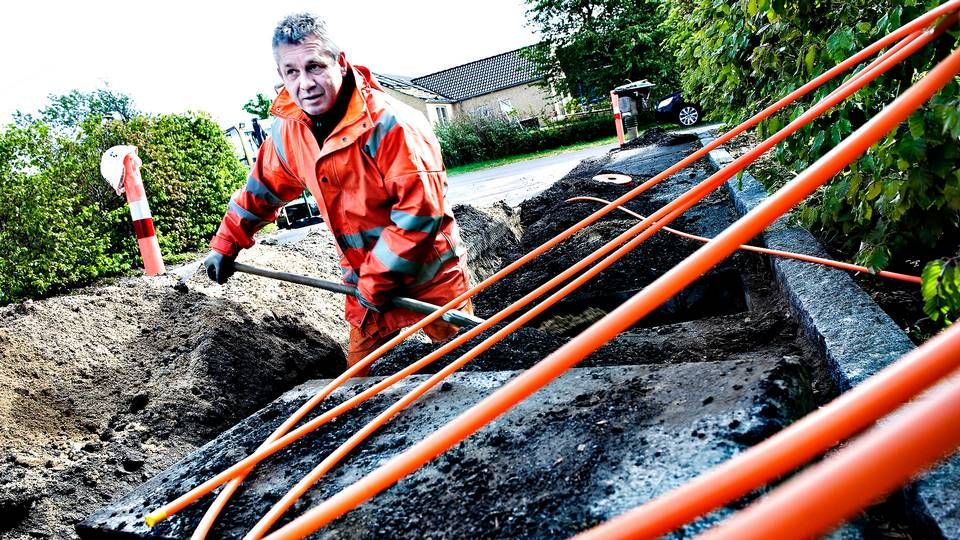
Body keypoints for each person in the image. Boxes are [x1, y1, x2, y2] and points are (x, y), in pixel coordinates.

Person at [204, 13, 472, 375]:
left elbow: (419, 215)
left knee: (471, 370)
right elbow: (260, 192)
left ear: (341, 62)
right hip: (364, 283)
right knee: (354, 391)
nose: (305, 83)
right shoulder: (289, 131)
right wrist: (225, 245)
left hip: (430, 278)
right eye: (291, 72)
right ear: (280, 75)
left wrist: (376, 280)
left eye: (314, 66)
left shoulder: (392, 124)